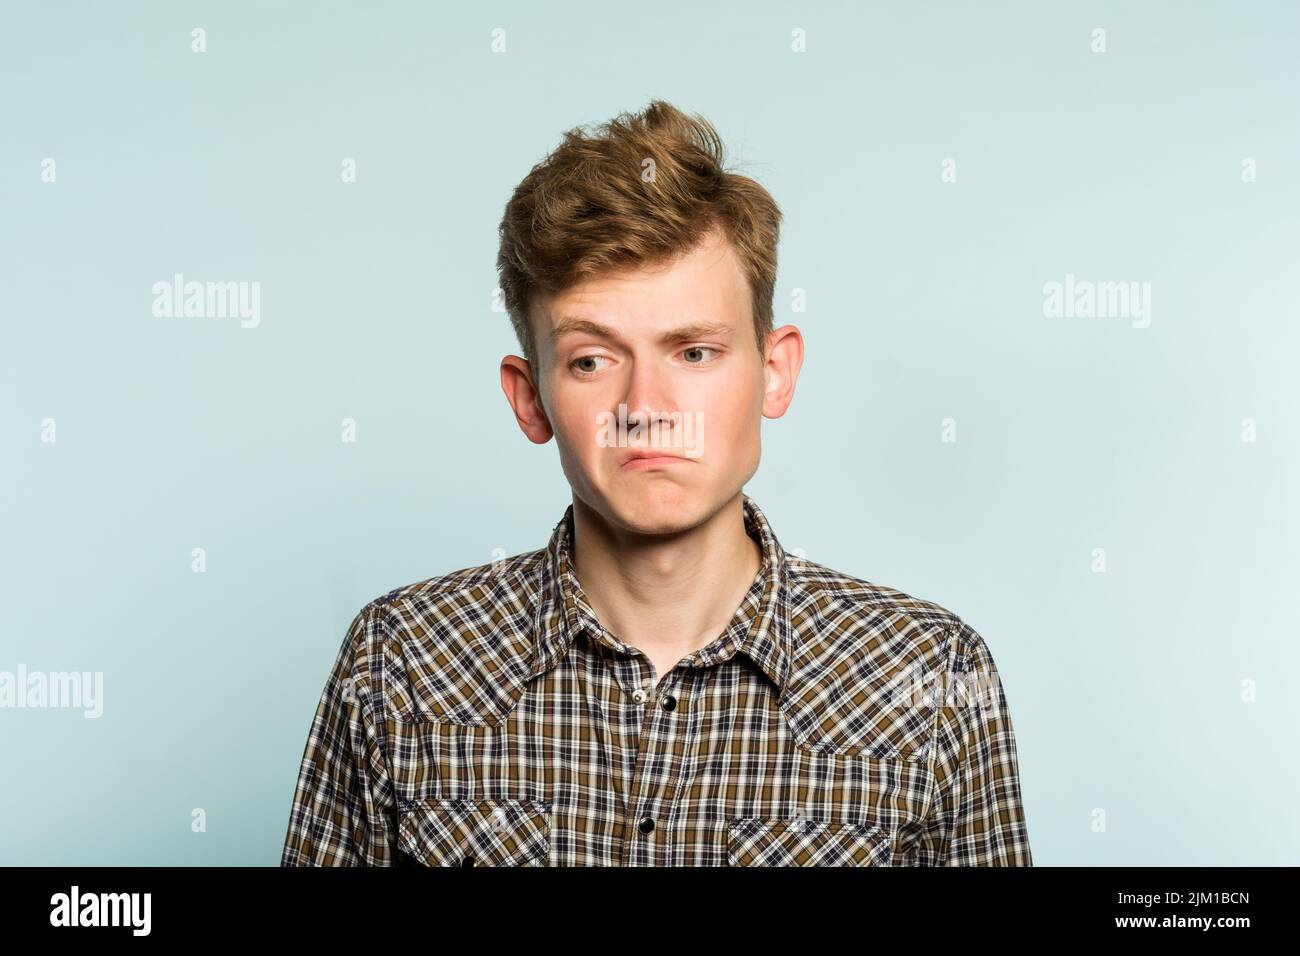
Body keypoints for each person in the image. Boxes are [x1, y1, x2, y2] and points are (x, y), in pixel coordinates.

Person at [280, 100, 1032, 867]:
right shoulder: (401, 662)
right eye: (591, 360)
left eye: (695, 353)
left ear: (775, 373)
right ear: (530, 397)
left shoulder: (932, 677)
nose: (646, 410)